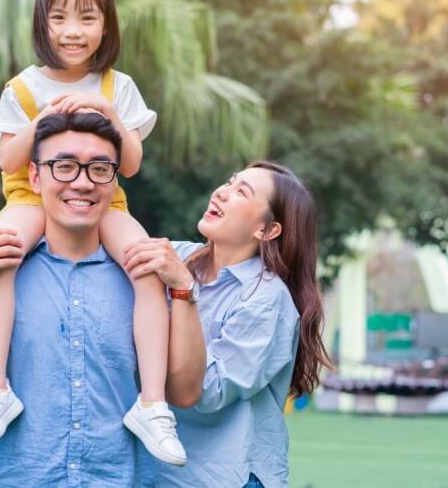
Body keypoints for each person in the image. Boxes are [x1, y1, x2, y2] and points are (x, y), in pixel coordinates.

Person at [0, 0, 180, 465]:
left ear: (106, 26)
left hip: (101, 197)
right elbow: (8, 160)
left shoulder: (117, 86)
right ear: (43, 22)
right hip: (29, 193)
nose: (72, 31)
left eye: (87, 19)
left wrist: (105, 114)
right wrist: (46, 117)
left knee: (147, 266)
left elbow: (129, 162)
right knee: (2, 250)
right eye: (59, 18)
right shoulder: (22, 87)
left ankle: (152, 403)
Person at [0, 112, 207, 486]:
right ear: (33, 176)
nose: (82, 183)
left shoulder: (146, 274)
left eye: (99, 168)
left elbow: (186, 392)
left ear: (114, 179)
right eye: (64, 167)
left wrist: (184, 290)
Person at [123, 161, 333, 488]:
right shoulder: (175, 257)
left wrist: (183, 291)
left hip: (225, 477)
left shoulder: (266, 299)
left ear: (266, 230)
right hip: (156, 473)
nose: (222, 192)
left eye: (241, 192)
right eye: (229, 182)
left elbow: (207, 392)